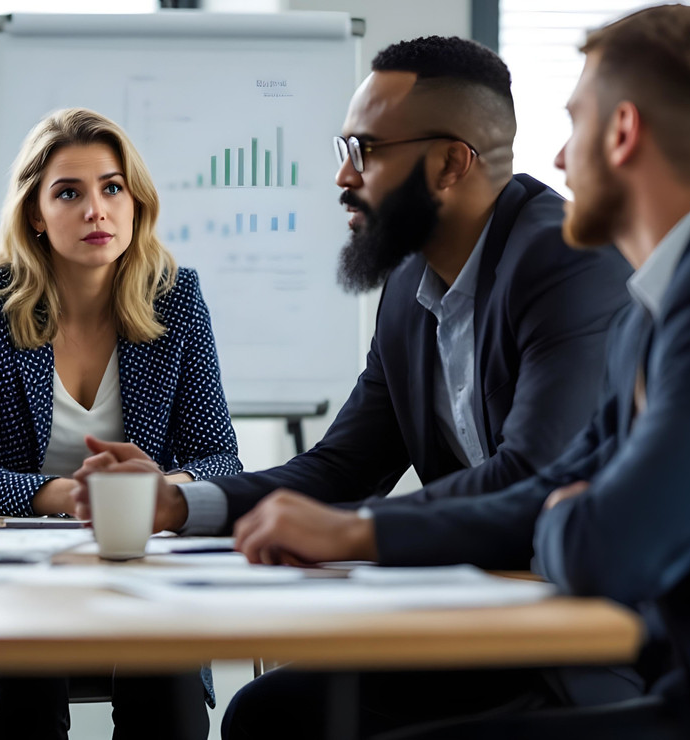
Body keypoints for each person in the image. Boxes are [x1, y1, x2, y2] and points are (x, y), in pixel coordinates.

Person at [74, 36, 635, 738]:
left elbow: (533, 474)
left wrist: (356, 531)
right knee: (268, 713)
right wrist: (179, 505)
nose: (344, 178)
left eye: (365, 151)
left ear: (450, 164)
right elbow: (343, 466)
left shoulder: (562, 260)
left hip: (575, 643)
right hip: (478, 618)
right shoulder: (407, 285)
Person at [332, 1, 690, 740]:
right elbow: (548, 489)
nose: (559, 160)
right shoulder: (647, 311)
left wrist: (566, 514)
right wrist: (362, 536)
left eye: (575, 124)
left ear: (623, 132)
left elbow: (609, 543)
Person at [0, 107, 238, 739]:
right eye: (68, 193)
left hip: (137, 571)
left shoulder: (175, 296)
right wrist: (61, 495)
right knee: (24, 688)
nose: (95, 210)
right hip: (8, 579)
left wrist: (154, 491)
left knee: (170, 694)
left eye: (111, 188)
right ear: (36, 216)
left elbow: (219, 460)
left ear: (135, 203)